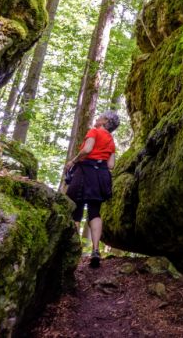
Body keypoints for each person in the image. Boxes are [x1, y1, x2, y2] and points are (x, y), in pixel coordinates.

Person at [64, 111, 120, 268]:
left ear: (105, 121)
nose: (97, 118)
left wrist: (73, 161)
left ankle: (71, 249)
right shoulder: (111, 140)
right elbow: (111, 165)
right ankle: (95, 250)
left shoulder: (94, 131)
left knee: (76, 209)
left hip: (85, 172)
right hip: (101, 176)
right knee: (94, 212)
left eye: (100, 117)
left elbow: (87, 150)